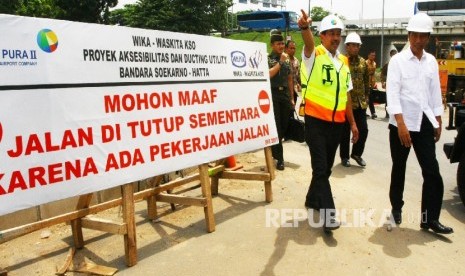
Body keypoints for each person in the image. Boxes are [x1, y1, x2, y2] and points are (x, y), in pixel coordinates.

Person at [386, 13, 453, 234]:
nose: (418, 40)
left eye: (423, 36)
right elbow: (393, 95)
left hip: (424, 122)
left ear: (428, 38)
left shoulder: (431, 61)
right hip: (401, 124)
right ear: (409, 35)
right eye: (415, 35)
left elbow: (434, 93)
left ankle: (429, 219)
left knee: (432, 171)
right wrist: (401, 123)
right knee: (400, 168)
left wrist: (438, 119)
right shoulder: (398, 61)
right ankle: (396, 208)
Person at [298, 11, 359, 231]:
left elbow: (347, 95)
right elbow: (307, 45)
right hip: (316, 122)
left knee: (325, 171)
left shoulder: (343, 62)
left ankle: (312, 199)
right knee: (321, 169)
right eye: (330, 33)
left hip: (337, 125)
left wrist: (352, 123)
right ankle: (328, 215)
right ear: (321, 36)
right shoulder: (314, 55)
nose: (335, 38)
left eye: (338, 34)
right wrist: (305, 29)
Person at [339, 32, 370, 168]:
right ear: (347, 46)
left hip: (360, 103)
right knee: (345, 132)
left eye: (358, 46)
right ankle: (345, 157)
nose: (356, 48)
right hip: (346, 103)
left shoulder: (363, 62)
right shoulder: (342, 62)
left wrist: (367, 97)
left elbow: (366, 81)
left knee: (363, 130)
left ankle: (356, 153)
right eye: (353, 45)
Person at [268, 29, 294, 170]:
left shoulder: (287, 58)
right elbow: (269, 74)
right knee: (277, 127)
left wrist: (291, 97)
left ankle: (274, 149)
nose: (281, 46)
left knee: (284, 126)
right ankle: (280, 159)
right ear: (272, 45)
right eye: (278, 44)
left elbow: (290, 78)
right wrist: (280, 62)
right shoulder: (268, 59)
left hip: (284, 96)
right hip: (273, 95)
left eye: (282, 43)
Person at [381, 49, 398, 118]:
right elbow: (382, 74)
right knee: (388, 99)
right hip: (389, 84)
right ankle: (387, 113)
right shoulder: (387, 65)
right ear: (391, 55)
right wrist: (383, 82)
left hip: (397, 85)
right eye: (393, 54)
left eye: (395, 54)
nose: (394, 56)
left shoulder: (399, 64)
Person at [285, 40, 301, 106]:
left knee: (292, 109)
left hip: (294, 90)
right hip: (285, 90)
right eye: (291, 48)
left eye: (294, 48)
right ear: (286, 49)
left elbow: (298, 75)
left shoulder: (296, 61)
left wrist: (299, 84)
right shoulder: (283, 60)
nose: (293, 50)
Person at [366, 49, 377, 119]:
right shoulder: (365, 63)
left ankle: (372, 112)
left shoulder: (374, 64)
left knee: (370, 98)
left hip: (372, 82)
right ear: (369, 55)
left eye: (374, 55)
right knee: (368, 98)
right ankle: (373, 112)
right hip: (366, 82)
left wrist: (374, 83)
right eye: (372, 55)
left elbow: (373, 74)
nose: (373, 57)